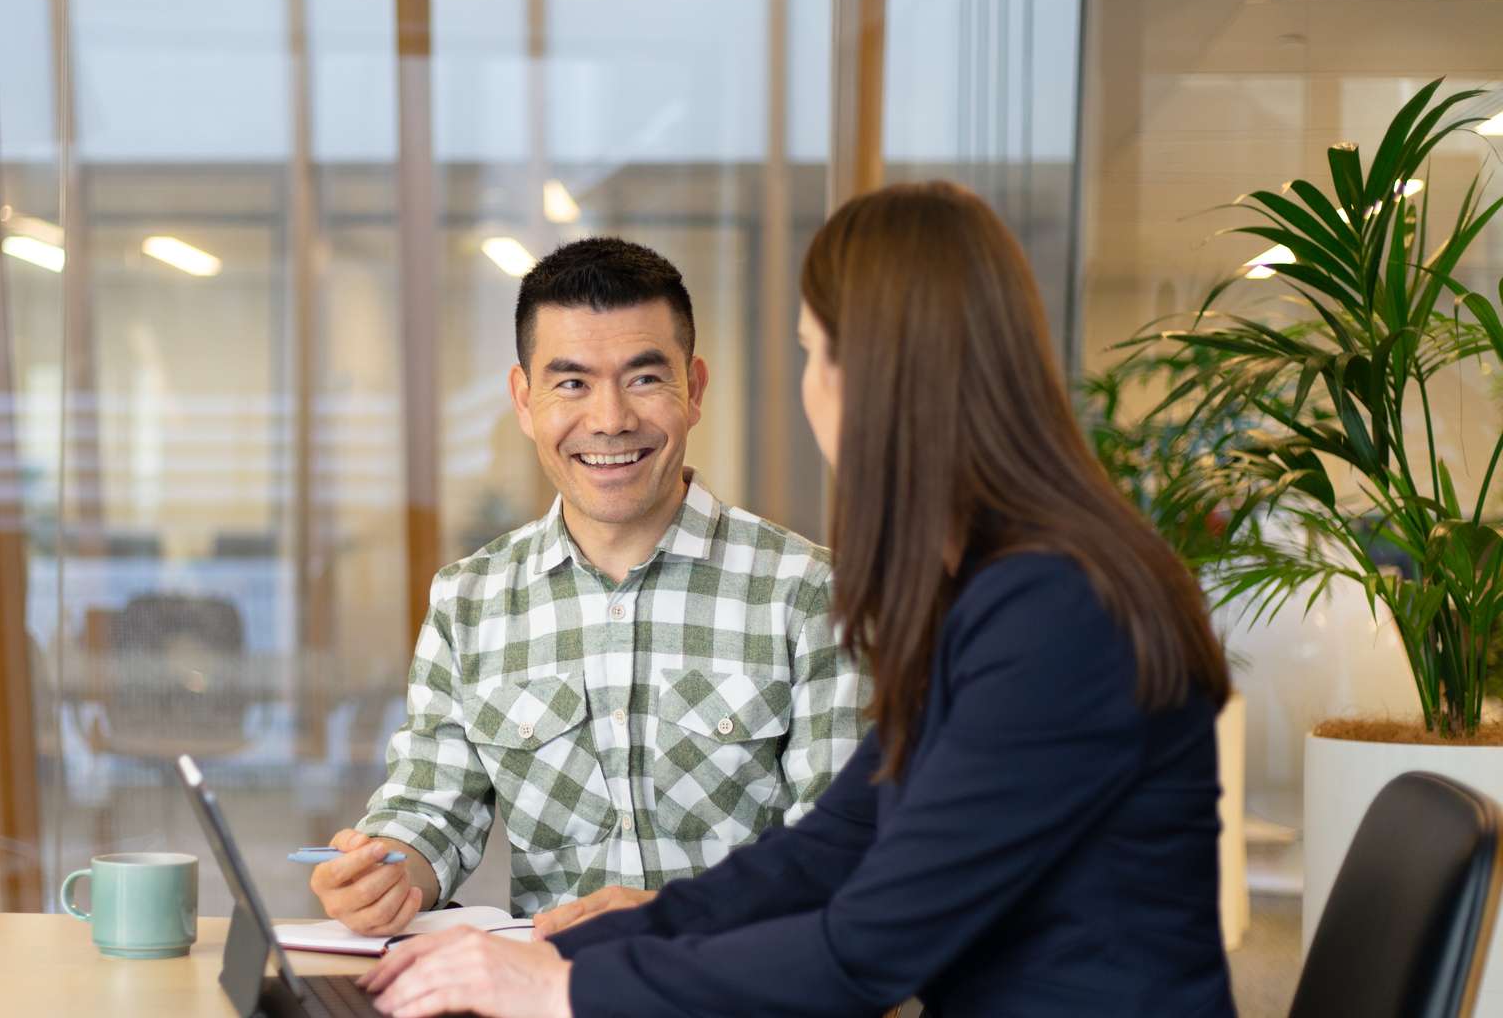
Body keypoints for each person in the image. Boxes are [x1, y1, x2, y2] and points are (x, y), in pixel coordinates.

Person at [357, 182, 1238, 1017]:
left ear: (886, 375)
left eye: (814, 354)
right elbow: (829, 849)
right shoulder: (991, 592)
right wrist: (567, 958)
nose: (808, 385)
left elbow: (869, 945)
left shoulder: (1058, 611)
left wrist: (562, 994)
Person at [310, 237, 864, 935]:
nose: (609, 419)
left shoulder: (811, 594)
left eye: (643, 378)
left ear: (693, 390)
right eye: (571, 383)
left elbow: (844, 854)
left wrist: (676, 919)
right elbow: (430, 811)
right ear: (523, 399)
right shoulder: (469, 602)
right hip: (548, 994)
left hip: (738, 993)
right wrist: (385, 870)